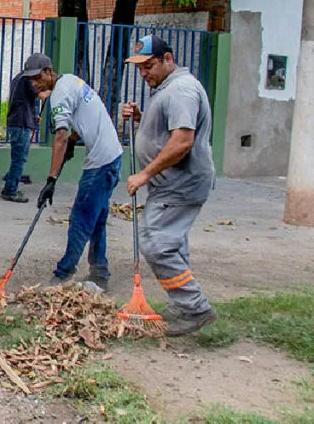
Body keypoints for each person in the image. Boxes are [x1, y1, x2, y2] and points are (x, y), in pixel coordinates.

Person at [122, 35, 217, 336]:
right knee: (172, 243)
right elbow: (167, 133)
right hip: (173, 184)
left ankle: (194, 307)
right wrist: (140, 120)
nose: (143, 73)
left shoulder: (181, 90)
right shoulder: (168, 88)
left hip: (180, 183)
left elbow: (182, 141)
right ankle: (182, 304)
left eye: (148, 66)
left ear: (168, 59)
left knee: (155, 243)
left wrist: (144, 174)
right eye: (139, 68)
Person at [28, 58, 124, 291]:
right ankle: (99, 273)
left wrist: (51, 180)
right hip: (114, 157)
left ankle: (63, 274)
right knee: (97, 219)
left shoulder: (59, 94)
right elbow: (85, 116)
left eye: (38, 78)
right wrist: (74, 139)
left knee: (80, 219)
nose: (35, 84)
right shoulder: (72, 80)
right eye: (31, 80)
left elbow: (59, 135)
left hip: (100, 163)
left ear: (49, 71)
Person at [1, 54, 46, 203]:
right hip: (20, 125)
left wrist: (33, 116)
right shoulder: (28, 80)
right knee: (19, 159)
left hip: (16, 123)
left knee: (18, 157)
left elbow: (23, 101)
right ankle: (10, 190)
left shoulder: (18, 78)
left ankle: (10, 180)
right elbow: (42, 95)